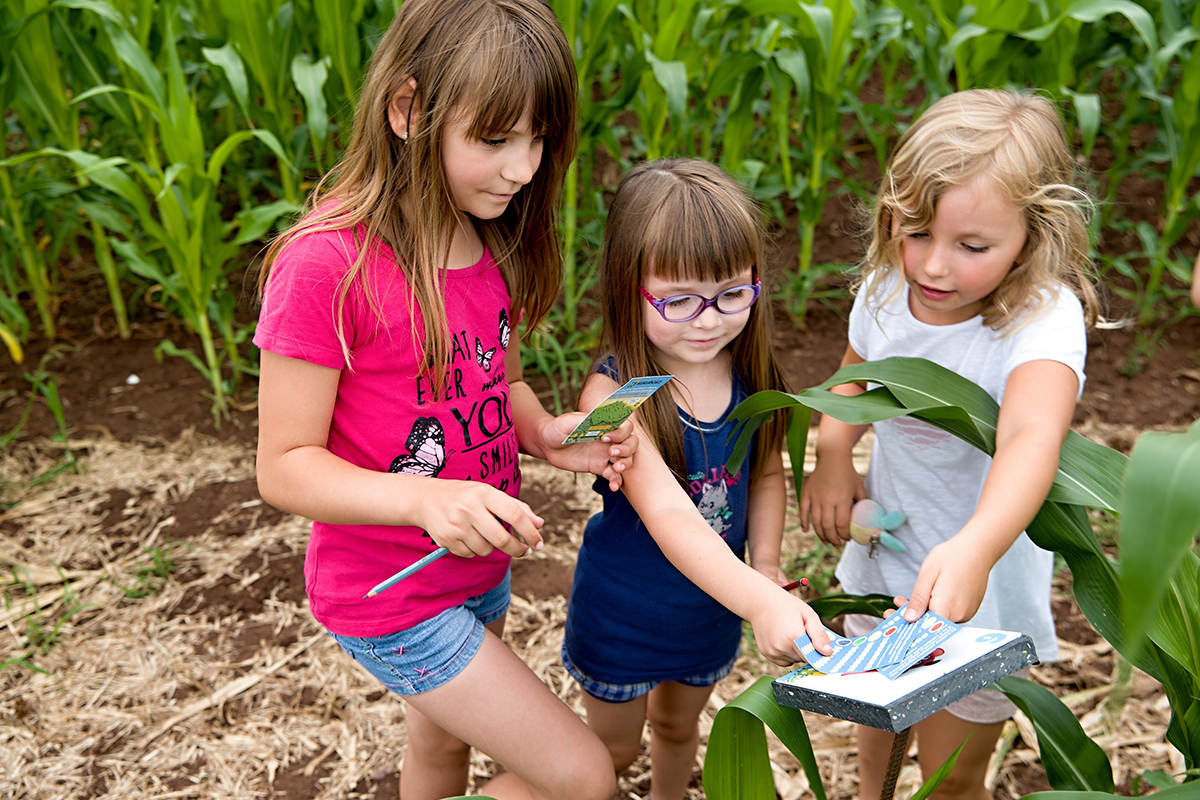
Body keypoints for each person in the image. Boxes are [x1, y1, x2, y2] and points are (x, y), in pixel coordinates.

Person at [253, 1, 632, 798]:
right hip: (391, 593)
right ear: (408, 109)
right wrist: (430, 498)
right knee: (584, 776)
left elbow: (502, 379)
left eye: (538, 139)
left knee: (438, 753)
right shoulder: (326, 265)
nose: (523, 168)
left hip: (471, 564)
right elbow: (284, 467)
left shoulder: (480, 232)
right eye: (495, 139)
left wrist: (547, 434)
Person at [800, 89, 1101, 800]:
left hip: (979, 576)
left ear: (1036, 232)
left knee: (951, 765)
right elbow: (854, 374)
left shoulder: (1040, 321)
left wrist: (977, 546)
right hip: (892, 554)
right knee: (876, 714)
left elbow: (1032, 434)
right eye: (915, 233)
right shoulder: (885, 289)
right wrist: (835, 454)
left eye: (971, 247)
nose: (933, 267)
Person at [562, 158, 833, 800]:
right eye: (679, 300)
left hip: (714, 608)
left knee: (681, 729)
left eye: (732, 294)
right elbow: (671, 515)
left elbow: (767, 471)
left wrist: (764, 564)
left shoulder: (750, 372)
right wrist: (762, 602)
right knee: (614, 751)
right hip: (626, 613)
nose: (708, 320)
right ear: (631, 288)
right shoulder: (616, 394)